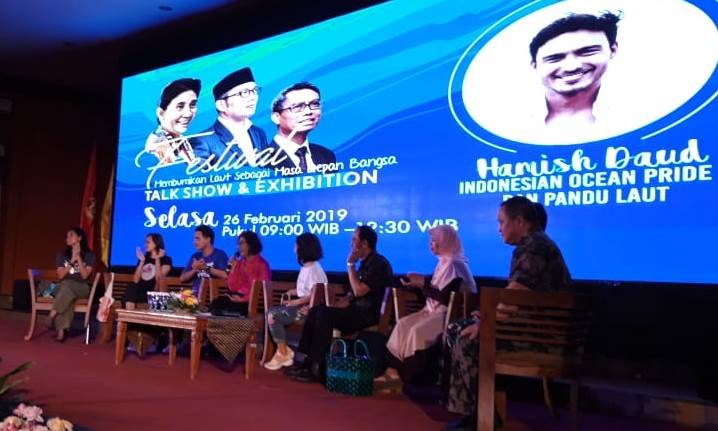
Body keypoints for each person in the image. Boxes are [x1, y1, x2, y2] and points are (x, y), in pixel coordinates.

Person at [443, 198, 571, 431]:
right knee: (458, 328)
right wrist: (484, 317)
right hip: (533, 331)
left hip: (540, 338)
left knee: (465, 337)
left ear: (519, 221)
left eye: (501, 222)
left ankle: (481, 415)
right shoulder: (535, 244)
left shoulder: (534, 246)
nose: (498, 229)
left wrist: (485, 323)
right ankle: (479, 410)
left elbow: (516, 294)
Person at [290, 225, 393, 383]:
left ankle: (318, 368)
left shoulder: (378, 263)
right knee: (316, 310)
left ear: (364, 244)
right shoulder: (364, 264)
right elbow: (350, 297)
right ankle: (307, 362)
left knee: (323, 315)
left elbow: (358, 291)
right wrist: (331, 307)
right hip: (355, 311)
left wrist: (350, 265)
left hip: (368, 314)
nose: (351, 243)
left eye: (354, 240)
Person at [383, 225, 476, 385]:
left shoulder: (455, 265)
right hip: (433, 310)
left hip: (449, 315)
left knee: (416, 331)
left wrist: (422, 283)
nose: (431, 244)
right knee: (402, 325)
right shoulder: (443, 263)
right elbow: (433, 289)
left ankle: (411, 378)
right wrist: (416, 284)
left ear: (445, 241)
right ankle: (394, 372)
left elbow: (445, 298)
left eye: (434, 240)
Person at [530, 12, 620, 135]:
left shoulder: (635, 110)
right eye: (555, 58)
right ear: (535, 65)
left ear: (612, 50)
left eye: (587, 52)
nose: (571, 67)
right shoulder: (512, 120)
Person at [264, 233, 327, 370]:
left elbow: (315, 294)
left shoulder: (314, 269)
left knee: (273, 315)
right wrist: (291, 292)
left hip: (308, 311)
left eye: (296, 245)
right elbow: (305, 290)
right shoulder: (306, 267)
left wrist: (295, 302)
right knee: (271, 313)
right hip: (301, 308)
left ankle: (283, 352)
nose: (294, 248)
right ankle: (283, 351)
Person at [191, 67, 268, 165]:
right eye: (244, 92)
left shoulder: (258, 133)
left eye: (255, 90)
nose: (253, 97)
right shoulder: (202, 141)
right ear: (221, 105)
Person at [266, 82, 336, 175]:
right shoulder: (262, 158)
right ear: (276, 117)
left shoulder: (326, 155)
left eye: (315, 104)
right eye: (298, 107)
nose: (308, 111)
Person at [47, 228, 96, 342]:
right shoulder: (62, 255)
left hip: (82, 288)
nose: (67, 238)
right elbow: (61, 275)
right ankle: (61, 330)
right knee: (67, 289)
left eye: (71, 235)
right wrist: (72, 260)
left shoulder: (89, 255)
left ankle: (53, 315)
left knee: (67, 288)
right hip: (64, 287)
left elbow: (85, 276)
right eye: (67, 236)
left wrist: (78, 258)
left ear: (79, 238)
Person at [209, 231, 270, 316]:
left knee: (234, 308)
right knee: (215, 304)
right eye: (238, 244)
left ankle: (231, 315)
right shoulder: (240, 263)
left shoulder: (262, 264)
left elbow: (262, 289)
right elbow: (232, 287)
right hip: (237, 296)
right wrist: (233, 269)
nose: (239, 247)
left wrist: (244, 299)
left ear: (251, 244)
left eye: (241, 243)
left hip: (252, 300)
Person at [145, 78, 201, 164]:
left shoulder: (180, 139)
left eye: (193, 105)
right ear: (161, 113)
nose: (188, 113)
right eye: (180, 106)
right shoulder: (158, 144)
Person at [124, 233, 172, 309]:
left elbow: (159, 280)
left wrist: (157, 259)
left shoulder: (166, 260)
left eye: (148, 242)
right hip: (141, 293)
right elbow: (135, 280)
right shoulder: (144, 258)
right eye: (145, 242)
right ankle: (129, 314)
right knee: (131, 286)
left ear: (156, 243)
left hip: (155, 292)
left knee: (160, 283)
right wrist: (142, 261)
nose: (145, 245)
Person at [180, 225, 228, 297]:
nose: (194, 242)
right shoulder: (196, 256)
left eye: (198, 239)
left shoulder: (220, 255)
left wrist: (206, 268)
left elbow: (226, 275)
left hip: (212, 297)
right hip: (194, 298)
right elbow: (182, 278)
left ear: (208, 239)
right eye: (194, 239)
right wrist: (195, 270)